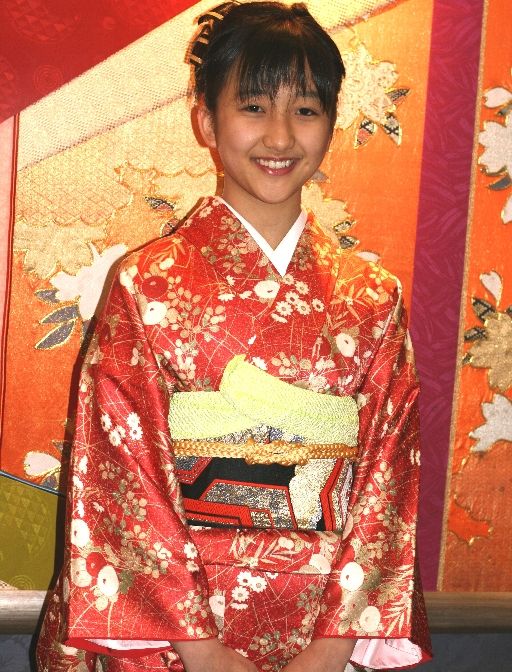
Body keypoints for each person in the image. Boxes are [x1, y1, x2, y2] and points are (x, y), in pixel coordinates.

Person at [36, 2, 431, 671]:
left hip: (327, 621)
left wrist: (332, 649)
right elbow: (122, 472)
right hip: (176, 631)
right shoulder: (146, 284)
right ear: (206, 122)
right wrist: (202, 648)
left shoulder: (371, 298)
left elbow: (388, 481)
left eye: (305, 109)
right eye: (253, 106)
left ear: (331, 123)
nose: (280, 135)